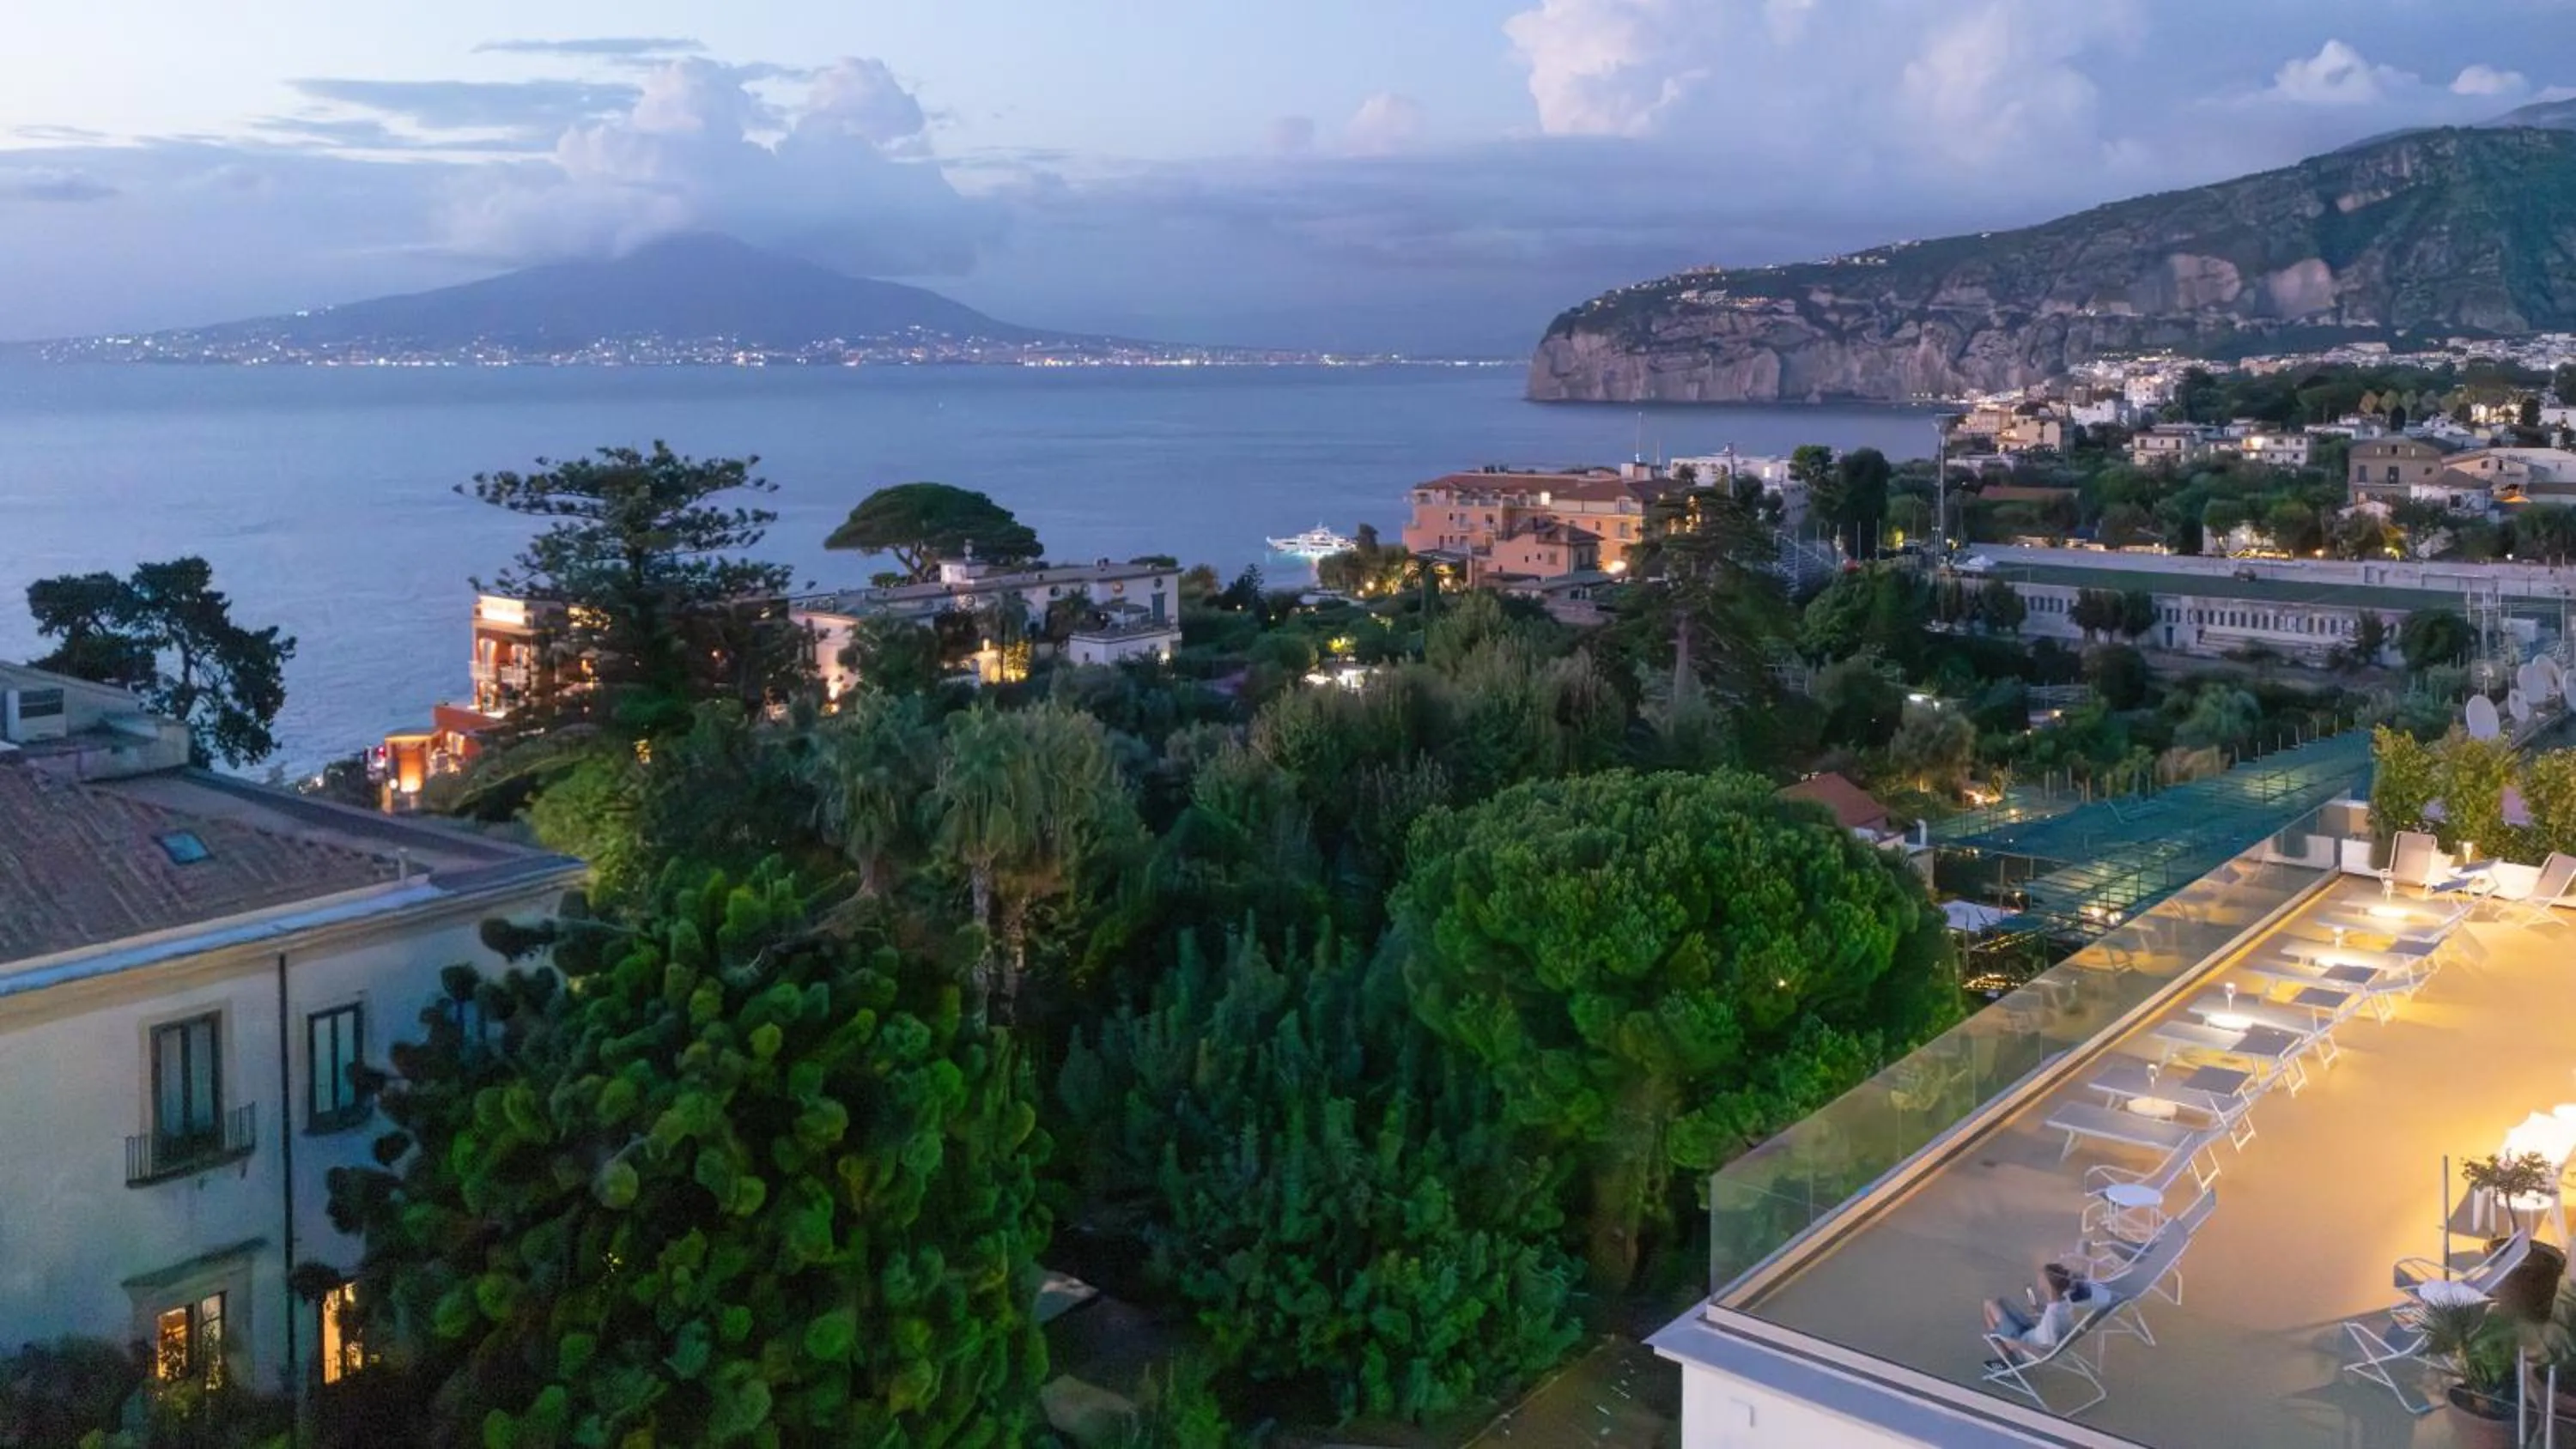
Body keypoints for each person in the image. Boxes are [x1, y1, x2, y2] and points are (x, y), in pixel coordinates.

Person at [1982, 1261, 2096, 1367]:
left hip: (2022, 1341)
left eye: (2040, 1278)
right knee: (2002, 1302)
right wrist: (2038, 1307)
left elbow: (2046, 1349)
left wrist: (2016, 1344)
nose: (2038, 1280)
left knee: (1989, 1305)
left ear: (2047, 1285)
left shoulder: (2052, 1315)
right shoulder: (2064, 1302)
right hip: (2031, 1333)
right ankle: (2005, 1350)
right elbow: (2055, 1320)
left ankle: (2007, 1359)